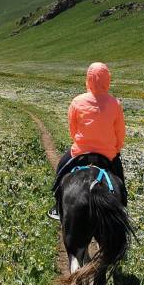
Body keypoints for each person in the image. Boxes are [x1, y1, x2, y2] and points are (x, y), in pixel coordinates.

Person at [49, 61, 127, 220]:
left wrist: (79, 142)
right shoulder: (115, 103)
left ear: (88, 79)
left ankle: (58, 204)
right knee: (120, 179)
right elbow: (120, 133)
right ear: (108, 80)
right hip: (108, 154)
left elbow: (73, 128)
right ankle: (123, 202)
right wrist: (115, 149)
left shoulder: (77, 101)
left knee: (61, 170)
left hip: (81, 152)